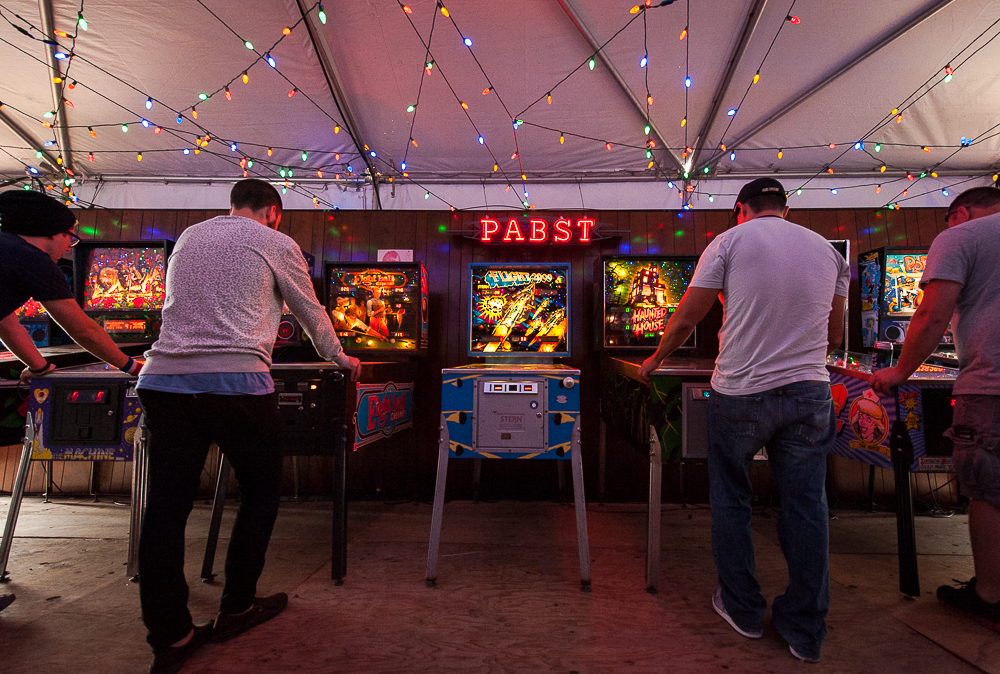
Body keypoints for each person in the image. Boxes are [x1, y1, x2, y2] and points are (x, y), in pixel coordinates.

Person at [135, 179, 360, 674]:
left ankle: (170, 636)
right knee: (260, 492)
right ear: (273, 212)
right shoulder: (275, 241)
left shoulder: (191, 237)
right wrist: (340, 358)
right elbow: (309, 309)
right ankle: (237, 605)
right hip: (235, 382)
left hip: (164, 380)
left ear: (232, 206)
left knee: (166, 507)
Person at [638, 178, 849, 663]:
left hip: (741, 392)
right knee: (806, 506)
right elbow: (834, 334)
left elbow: (689, 317)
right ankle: (804, 630)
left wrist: (654, 360)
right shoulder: (826, 251)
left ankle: (743, 609)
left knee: (732, 498)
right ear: (785, 208)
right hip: (808, 393)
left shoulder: (728, 242)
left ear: (740, 209)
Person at [871, 185, 1000, 633]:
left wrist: (901, 372)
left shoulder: (962, 237)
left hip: (991, 384)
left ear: (960, 212)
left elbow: (931, 314)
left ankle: (990, 596)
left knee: (988, 489)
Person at [0, 190, 143, 382]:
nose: (69, 247)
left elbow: (4, 321)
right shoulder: (33, 259)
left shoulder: (9, 249)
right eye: (71, 238)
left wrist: (38, 366)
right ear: (54, 232)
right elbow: (82, 330)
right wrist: (135, 369)